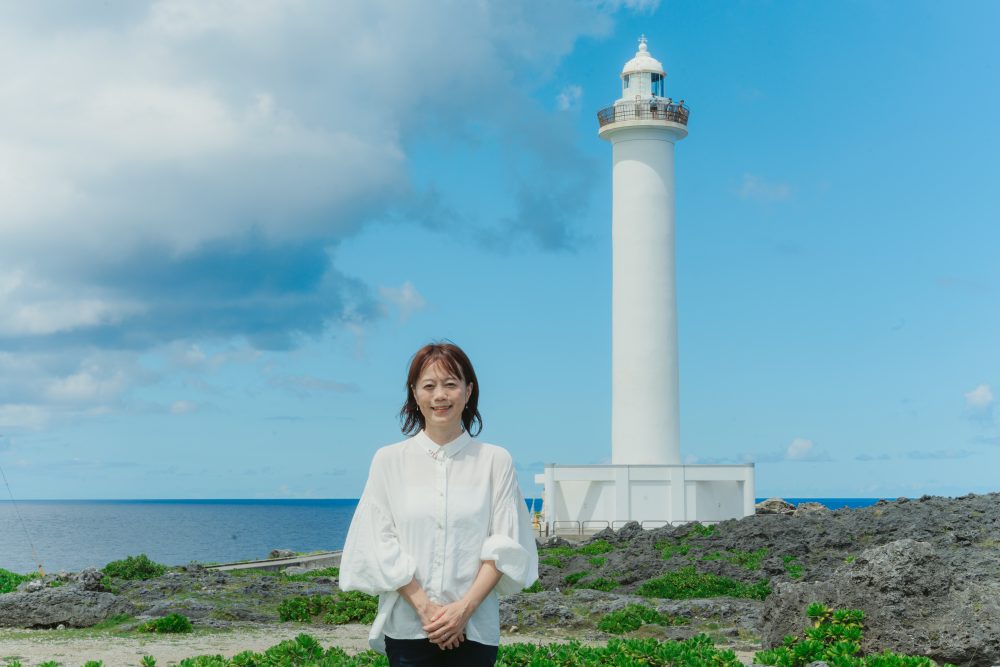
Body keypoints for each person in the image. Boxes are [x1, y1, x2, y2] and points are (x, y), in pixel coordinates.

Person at [340, 342, 538, 666]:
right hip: (408, 629)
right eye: (429, 386)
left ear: (468, 390)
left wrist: (462, 611)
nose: (440, 396)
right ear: (415, 394)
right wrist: (428, 610)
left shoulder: (495, 461)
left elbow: (504, 544)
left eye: (450, 384)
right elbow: (379, 540)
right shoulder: (389, 461)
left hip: (475, 631)